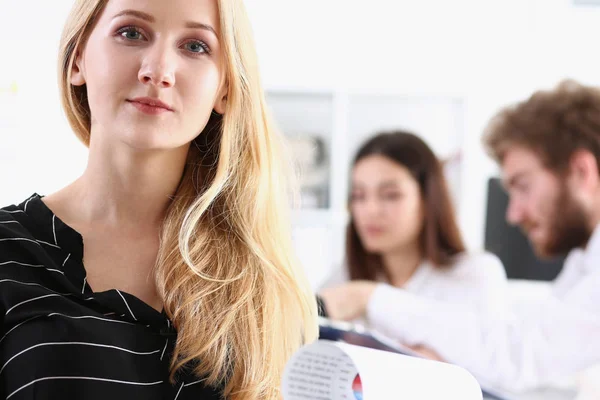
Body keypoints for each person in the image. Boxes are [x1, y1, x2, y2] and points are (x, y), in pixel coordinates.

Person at [0, 1, 318, 399]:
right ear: (78, 57)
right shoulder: (7, 250)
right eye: (131, 33)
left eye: (196, 46)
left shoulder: (262, 283)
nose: (158, 70)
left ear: (224, 87)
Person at [318, 131, 509, 355]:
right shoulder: (344, 277)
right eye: (359, 196)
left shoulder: (475, 273)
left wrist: (368, 298)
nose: (370, 210)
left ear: (428, 200)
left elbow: (493, 364)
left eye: (390, 195)